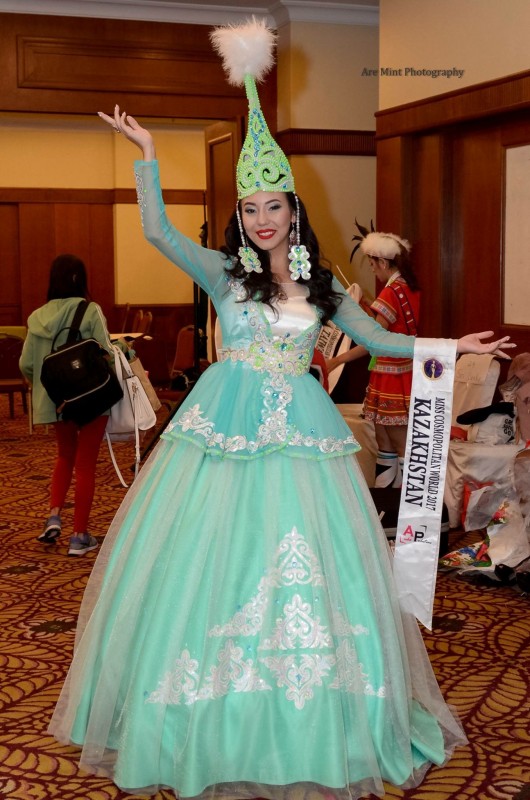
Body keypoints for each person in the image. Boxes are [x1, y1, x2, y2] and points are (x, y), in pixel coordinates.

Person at [48, 20, 514, 800]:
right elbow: (157, 230)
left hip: (301, 436)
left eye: (275, 206)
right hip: (223, 431)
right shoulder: (223, 272)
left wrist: (453, 344)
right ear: (241, 215)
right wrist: (149, 157)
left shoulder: (325, 285)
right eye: (252, 207)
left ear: (294, 210)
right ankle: (200, 713)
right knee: (208, 564)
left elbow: (380, 340)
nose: (264, 218)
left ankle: (312, 716)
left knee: (313, 570)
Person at [19, 254, 114, 556]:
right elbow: (107, 352)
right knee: (85, 465)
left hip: (58, 401)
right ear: (78, 279)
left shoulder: (36, 317)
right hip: (91, 399)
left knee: (64, 456)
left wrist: (51, 388)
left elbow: (25, 364)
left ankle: (54, 516)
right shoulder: (90, 310)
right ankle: (79, 536)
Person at [327, 232, 420, 488]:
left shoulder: (391, 291)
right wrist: (370, 308)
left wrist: (337, 360)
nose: (372, 270)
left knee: (397, 444)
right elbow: (389, 328)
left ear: (383, 262)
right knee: (386, 443)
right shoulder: (408, 288)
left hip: (392, 376)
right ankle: (387, 501)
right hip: (401, 371)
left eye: (372, 264)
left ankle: (403, 503)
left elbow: (373, 340)